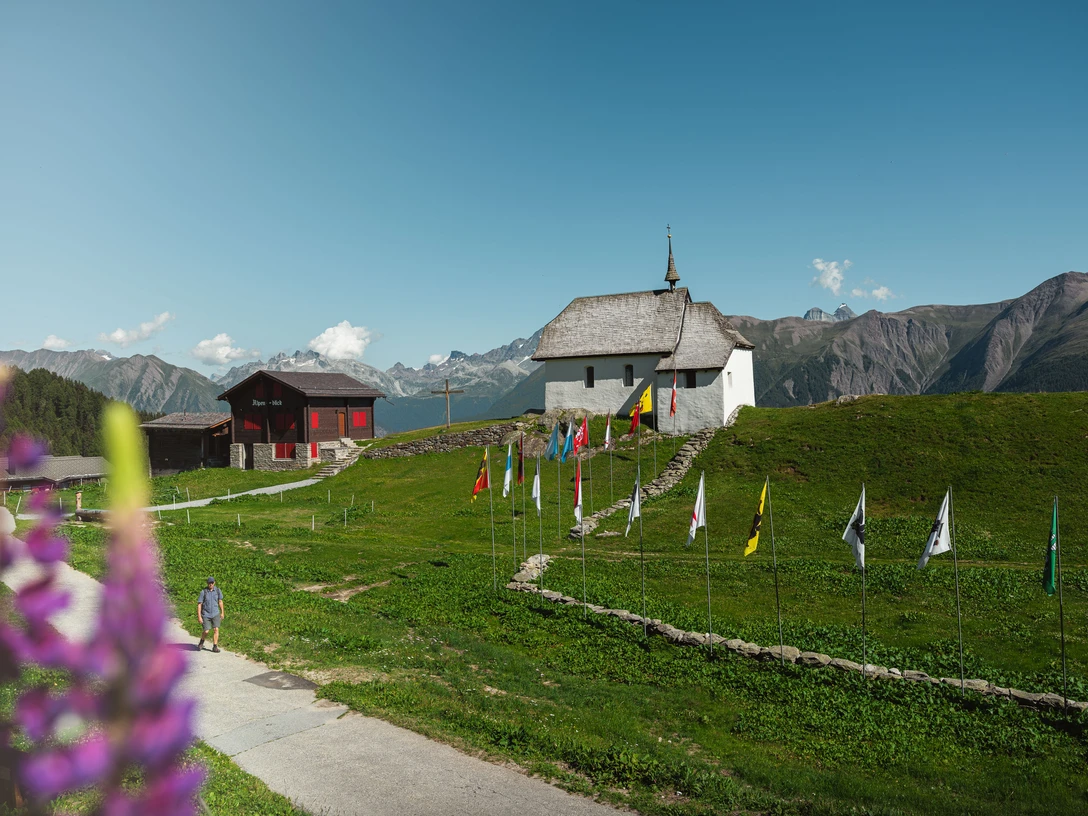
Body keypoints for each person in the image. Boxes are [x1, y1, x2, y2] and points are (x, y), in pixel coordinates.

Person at [196, 576, 225, 652]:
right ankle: (201, 642)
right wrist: (199, 616)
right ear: (207, 583)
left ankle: (215, 647)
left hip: (215, 613)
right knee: (206, 631)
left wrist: (222, 612)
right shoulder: (203, 592)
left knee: (216, 629)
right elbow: (199, 604)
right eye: (209, 583)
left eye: (212, 583)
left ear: (214, 583)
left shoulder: (218, 591)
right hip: (206, 614)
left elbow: (220, 602)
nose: (211, 584)